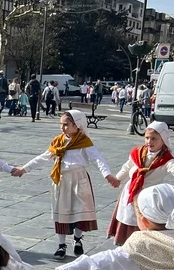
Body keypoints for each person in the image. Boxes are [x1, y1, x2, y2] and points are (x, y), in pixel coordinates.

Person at [13, 110, 119, 258]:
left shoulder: (84, 142)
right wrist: (24, 169)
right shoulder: (58, 141)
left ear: (77, 125)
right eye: (61, 124)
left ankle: (77, 239)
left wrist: (107, 174)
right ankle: (61, 245)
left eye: (66, 124)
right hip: (62, 180)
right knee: (61, 211)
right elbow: (43, 157)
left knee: (81, 210)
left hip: (79, 179)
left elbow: (97, 159)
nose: (62, 127)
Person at [107, 121, 174, 246]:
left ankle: (141, 245)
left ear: (163, 140)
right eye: (147, 138)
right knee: (127, 216)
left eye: (154, 139)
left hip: (149, 196)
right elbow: (127, 167)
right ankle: (125, 242)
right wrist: (118, 179)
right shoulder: (137, 152)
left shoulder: (165, 159)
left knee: (144, 219)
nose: (149, 141)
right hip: (131, 191)